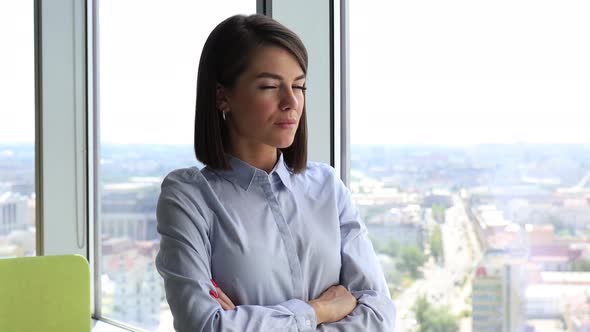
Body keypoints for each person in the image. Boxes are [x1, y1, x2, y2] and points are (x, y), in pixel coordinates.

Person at [155, 14, 396, 331]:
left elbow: (379, 317)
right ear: (222, 96)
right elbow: (204, 326)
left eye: (298, 86)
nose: (291, 102)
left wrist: (248, 321)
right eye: (269, 86)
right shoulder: (189, 197)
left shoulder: (327, 186)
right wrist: (320, 310)